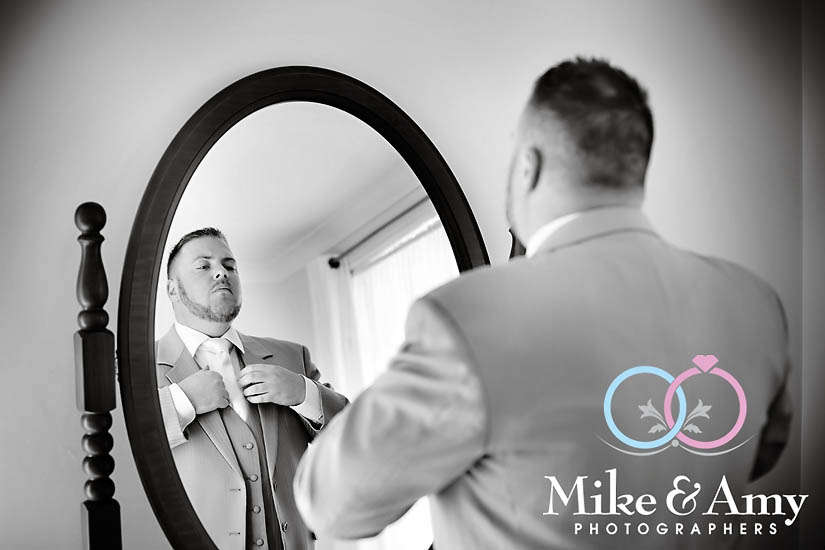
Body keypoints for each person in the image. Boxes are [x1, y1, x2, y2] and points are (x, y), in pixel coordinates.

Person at [292, 58, 793, 549]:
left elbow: (331, 504)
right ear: (633, 171)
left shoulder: (473, 317)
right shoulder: (753, 303)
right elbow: (761, 455)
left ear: (528, 165)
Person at [156, 227, 348, 550]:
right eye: (204, 266)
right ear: (172, 289)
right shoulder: (136, 370)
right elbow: (118, 450)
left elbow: (352, 435)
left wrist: (303, 392)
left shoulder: (292, 357)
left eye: (229, 265)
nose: (222, 272)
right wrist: (182, 402)